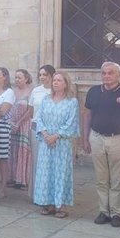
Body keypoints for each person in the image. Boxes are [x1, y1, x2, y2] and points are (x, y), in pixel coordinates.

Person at [83, 62, 120, 228]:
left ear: (118, 75)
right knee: (101, 178)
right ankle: (103, 211)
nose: (106, 76)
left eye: (110, 73)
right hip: (97, 137)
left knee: (116, 178)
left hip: (119, 139)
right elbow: (87, 115)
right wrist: (85, 139)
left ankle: (115, 213)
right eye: (104, 73)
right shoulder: (93, 92)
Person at [33, 71, 80, 219]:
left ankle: (61, 205)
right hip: (46, 142)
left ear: (66, 83)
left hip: (61, 143)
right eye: (54, 80)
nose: (55, 82)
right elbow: (39, 118)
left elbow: (71, 122)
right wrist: (46, 134)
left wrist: (56, 136)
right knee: (46, 172)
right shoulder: (46, 99)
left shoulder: (72, 102)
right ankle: (48, 203)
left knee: (60, 173)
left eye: (59, 80)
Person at [27, 64, 55, 199]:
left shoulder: (56, 91)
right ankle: (35, 193)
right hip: (37, 128)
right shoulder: (36, 91)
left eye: (45, 75)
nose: (42, 77)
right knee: (37, 160)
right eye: (40, 75)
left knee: (50, 162)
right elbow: (31, 110)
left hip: (52, 131)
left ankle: (49, 193)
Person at [8, 69, 33, 190]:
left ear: (26, 78)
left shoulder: (31, 92)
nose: (17, 80)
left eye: (19, 77)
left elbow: (30, 110)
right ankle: (13, 177)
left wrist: (19, 122)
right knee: (13, 150)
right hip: (12, 123)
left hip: (24, 124)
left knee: (23, 151)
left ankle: (23, 179)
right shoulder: (13, 92)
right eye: (16, 77)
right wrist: (12, 123)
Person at [0, 67, 15, 198]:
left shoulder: (9, 93)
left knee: (2, 158)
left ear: (4, 77)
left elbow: (4, 111)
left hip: (3, 126)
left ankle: (3, 186)